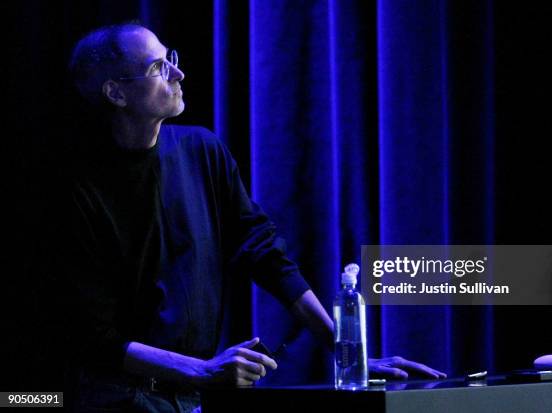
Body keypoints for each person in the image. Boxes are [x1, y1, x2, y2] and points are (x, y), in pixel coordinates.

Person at [49, 22, 445, 412]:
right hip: (113, 399)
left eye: (171, 58)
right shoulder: (76, 189)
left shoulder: (201, 150)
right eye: (157, 68)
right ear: (115, 93)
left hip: (187, 398)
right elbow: (94, 338)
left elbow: (265, 253)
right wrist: (203, 371)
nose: (178, 73)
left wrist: (346, 354)